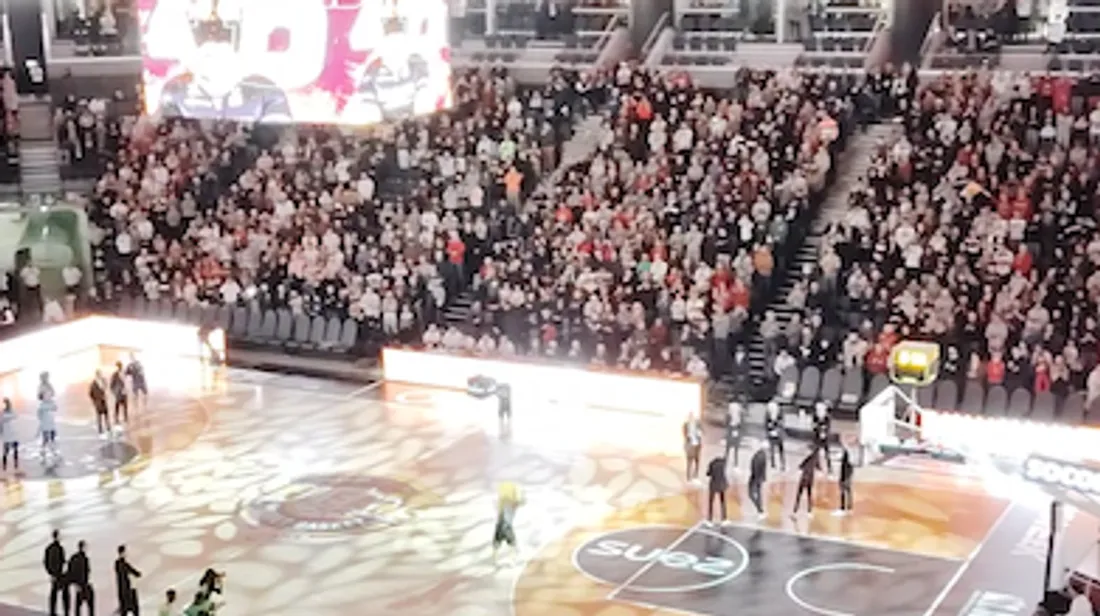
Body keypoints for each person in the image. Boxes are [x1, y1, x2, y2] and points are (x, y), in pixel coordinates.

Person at [493, 481, 523, 565]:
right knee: (511, 543)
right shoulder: (509, 502)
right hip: (506, 525)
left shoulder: (503, 502)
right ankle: (511, 560)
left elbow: (498, 507)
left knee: (498, 542)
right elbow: (518, 502)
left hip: (501, 524)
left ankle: (497, 559)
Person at [44, 530, 69, 616]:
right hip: (58, 574)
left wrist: (50, 573)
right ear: (57, 536)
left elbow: (46, 562)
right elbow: (60, 561)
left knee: (54, 594)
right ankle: (64, 612)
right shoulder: (59, 548)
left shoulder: (50, 548)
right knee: (62, 594)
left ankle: (53, 612)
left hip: (56, 574)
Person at [792, 447, 822, 517]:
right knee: (809, 494)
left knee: (800, 494)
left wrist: (800, 469)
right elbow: (818, 466)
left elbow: (803, 465)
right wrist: (820, 470)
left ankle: (795, 510)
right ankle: (809, 510)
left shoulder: (810, 458)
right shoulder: (815, 458)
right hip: (810, 478)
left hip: (805, 477)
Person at [68, 540, 94, 616]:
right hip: (81, 584)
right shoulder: (80, 558)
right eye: (85, 547)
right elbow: (72, 571)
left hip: (83, 584)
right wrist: (76, 583)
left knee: (80, 605)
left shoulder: (82, 558)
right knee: (82, 605)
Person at [114, 545, 142, 616]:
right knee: (129, 608)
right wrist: (136, 573)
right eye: (125, 552)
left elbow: (133, 571)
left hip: (125, 589)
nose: (126, 553)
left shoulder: (123, 563)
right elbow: (130, 571)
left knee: (129, 608)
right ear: (122, 553)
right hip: (125, 590)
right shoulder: (120, 563)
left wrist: (137, 573)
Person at [705, 455, 728, 525]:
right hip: (722, 484)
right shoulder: (723, 464)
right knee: (723, 501)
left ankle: (710, 519)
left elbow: (708, 473)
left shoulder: (712, 464)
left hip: (714, 485)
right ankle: (724, 518)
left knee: (711, 502)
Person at [813, 402, 833, 474]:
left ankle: (829, 468)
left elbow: (828, 427)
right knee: (816, 451)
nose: (818, 411)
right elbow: (814, 426)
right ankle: (817, 465)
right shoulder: (816, 417)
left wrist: (824, 431)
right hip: (818, 436)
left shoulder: (827, 417)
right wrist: (818, 428)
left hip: (825, 437)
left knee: (826, 452)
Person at [37, 393, 59, 459]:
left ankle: (53, 450)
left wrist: (52, 402)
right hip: (45, 425)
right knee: (45, 438)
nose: (47, 397)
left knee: (53, 437)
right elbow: (39, 415)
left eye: (48, 396)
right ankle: (43, 449)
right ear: (43, 398)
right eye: (45, 396)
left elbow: (55, 408)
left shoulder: (51, 403)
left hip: (51, 424)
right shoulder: (41, 406)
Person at [765, 402, 786, 471]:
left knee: (780, 449)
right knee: (772, 449)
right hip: (772, 433)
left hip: (779, 433)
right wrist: (769, 429)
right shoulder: (768, 414)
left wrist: (776, 424)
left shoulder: (780, 413)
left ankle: (782, 464)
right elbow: (766, 424)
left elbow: (782, 423)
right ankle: (773, 464)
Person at [682, 413, 703, 482]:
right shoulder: (685, 425)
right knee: (689, 461)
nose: (692, 419)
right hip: (690, 445)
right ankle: (688, 477)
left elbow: (702, 431)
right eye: (690, 417)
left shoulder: (698, 424)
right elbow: (684, 434)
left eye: (692, 417)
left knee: (697, 460)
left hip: (697, 445)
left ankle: (696, 475)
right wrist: (688, 435)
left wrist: (700, 433)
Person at [748, 447, 767, 518]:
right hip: (759, 478)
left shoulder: (757, 457)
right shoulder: (763, 456)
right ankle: (760, 510)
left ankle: (760, 510)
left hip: (755, 478)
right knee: (758, 494)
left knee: (751, 494)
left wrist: (755, 478)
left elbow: (755, 468)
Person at [89, 370, 110, 436]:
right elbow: (90, 394)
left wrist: (105, 394)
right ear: (96, 375)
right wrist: (95, 401)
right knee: (99, 416)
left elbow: (106, 386)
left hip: (104, 400)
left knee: (106, 415)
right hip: (98, 402)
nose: (100, 376)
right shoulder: (93, 384)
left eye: (100, 374)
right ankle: (100, 430)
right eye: (99, 375)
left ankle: (108, 428)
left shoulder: (103, 381)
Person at [1, 398, 18, 472]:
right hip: (7, 433)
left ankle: (15, 464)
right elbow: (1, 422)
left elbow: (15, 416)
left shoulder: (12, 411)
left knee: (15, 449)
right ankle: (4, 466)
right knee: (6, 450)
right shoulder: (2, 413)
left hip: (13, 433)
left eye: (6, 403)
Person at [837, 444, 854, 515]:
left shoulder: (845, 462)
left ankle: (843, 508)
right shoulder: (850, 462)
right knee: (848, 492)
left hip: (845, 478)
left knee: (843, 492)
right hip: (848, 478)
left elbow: (844, 470)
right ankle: (849, 508)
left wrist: (842, 479)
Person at [725, 401, 742, 467]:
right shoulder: (739, 406)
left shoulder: (730, 405)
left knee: (728, 445)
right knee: (736, 445)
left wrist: (726, 424)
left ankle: (726, 458)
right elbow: (741, 416)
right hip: (736, 427)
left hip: (731, 427)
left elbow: (728, 416)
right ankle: (736, 461)